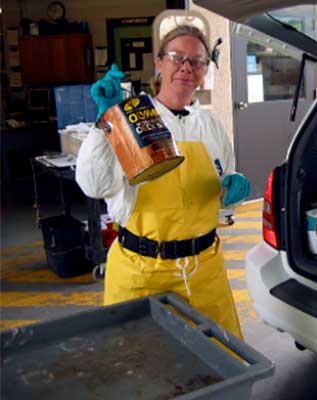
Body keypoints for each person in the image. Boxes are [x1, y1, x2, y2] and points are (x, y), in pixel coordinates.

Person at [76, 25, 250, 340]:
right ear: (159, 62)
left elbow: (223, 192)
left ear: (204, 70)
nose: (186, 67)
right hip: (141, 273)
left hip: (204, 272)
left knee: (222, 361)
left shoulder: (210, 125)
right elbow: (93, 185)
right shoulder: (132, 118)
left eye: (196, 61)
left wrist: (232, 190)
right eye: (176, 57)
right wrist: (107, 121)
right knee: (138, 365)